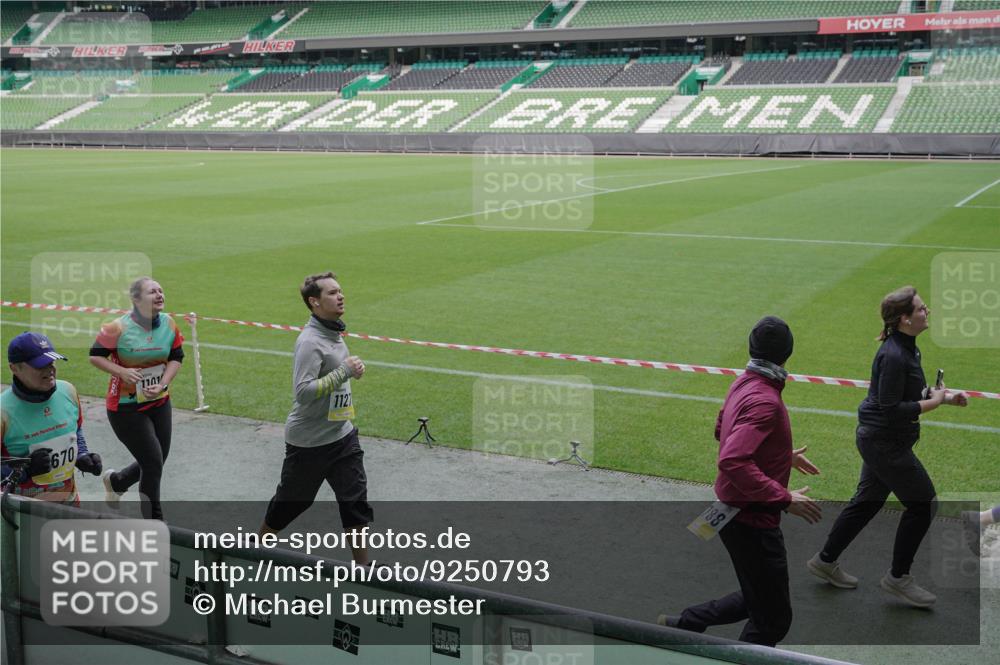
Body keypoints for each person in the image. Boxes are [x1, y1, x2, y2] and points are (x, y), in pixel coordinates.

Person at [659, 316, 821, 647]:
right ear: (788, 353)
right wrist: (784, 497)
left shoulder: (744, 381)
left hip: (734, 513)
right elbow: (732, 459)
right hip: (751, 520)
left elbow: (723, 429)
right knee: (773, 620)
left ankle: (685, 624)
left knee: (759, 595)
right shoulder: (765, 398)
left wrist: (780, 455)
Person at [807, 286, 967, 608]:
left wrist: (944, 398)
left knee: (867, 501)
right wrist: (934, 403)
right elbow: (891, 408)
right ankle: (898, 579)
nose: (928, 312)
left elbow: (907, 392)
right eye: (922, 309)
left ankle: (825, 561)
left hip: (881, 439)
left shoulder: (907, 347)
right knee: (923, 504)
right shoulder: (894, 355)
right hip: (884, 442)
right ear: (905, 319)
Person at [259, 272, 372, 564]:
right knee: (291, 503)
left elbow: (336, 377)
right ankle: (255, 549)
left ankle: (362, 567)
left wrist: (352, 371)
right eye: (332, 293)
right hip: (309, 443)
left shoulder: (333, 333)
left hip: (342, 436)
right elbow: (303, 392)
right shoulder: (310, 341)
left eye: (340, 290)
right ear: (314, 302)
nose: (340, 296)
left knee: (354, 499)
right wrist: (344, 371)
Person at [89, 277, 184, 520]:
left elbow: (176, 356)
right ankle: (154, 524)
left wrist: (163, 383)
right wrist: (121, 372)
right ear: (136, 298)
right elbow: (95, 356)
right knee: (152, 464)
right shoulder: (116, 328)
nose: (160, 295)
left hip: (159, 402)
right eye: (153, 292)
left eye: (161, 290)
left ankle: (118, 481)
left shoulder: (169, 324)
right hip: (125, 409)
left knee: (158, 458)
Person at [2, 332, 102, 505]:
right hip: (21, 516)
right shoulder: (3, 411)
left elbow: (75, 430)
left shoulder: (68, 391)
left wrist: (82, 454)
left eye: (52, 362)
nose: (50, 369)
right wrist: (25, 470)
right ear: (15, 368)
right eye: (40, 365)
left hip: (68, 505)